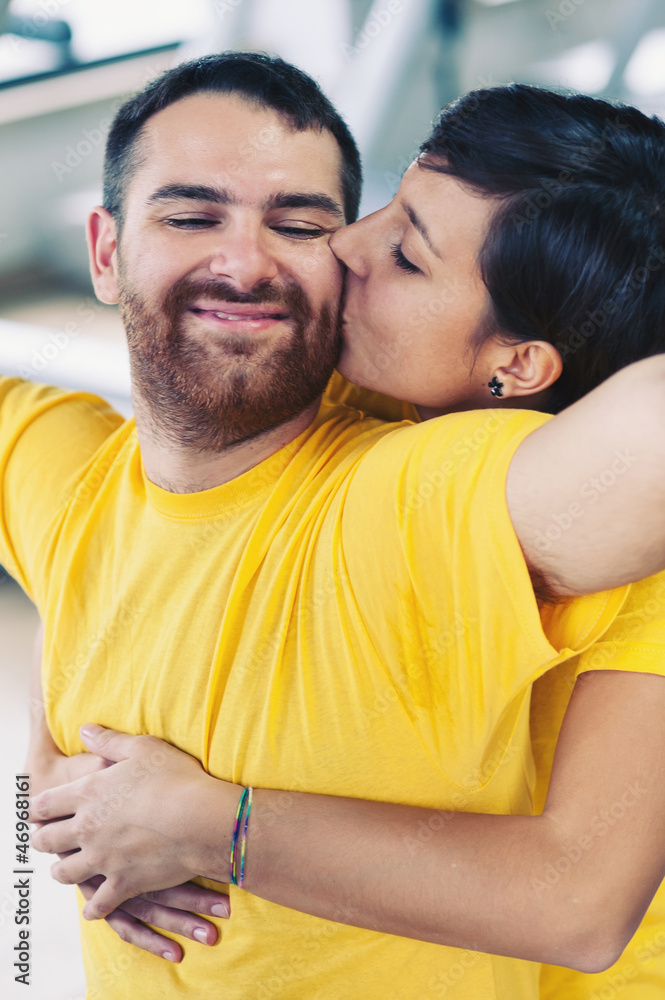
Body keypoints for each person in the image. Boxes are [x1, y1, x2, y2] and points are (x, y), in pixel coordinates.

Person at [13, 57, 665, 1000]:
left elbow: (576, 903)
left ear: (518, 365)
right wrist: (66, 757)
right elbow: (111, 534)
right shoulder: (346, 380)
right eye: (193, 216)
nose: (346, 246)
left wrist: (210, 825)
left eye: (405, 251)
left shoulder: (592, 521)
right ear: (105, 249)